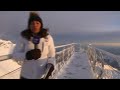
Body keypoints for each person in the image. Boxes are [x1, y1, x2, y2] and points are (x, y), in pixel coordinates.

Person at [12, 12, 56, 79]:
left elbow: (51, 55)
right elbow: (15, 55)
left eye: (37, 23)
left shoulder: (48, 38)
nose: (35, 25)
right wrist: (27, 55)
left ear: (41, 25)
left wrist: (51, 65)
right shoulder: (24, 37)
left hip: (42, 75)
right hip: (26, 75)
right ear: (29, 26)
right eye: (32, 23)